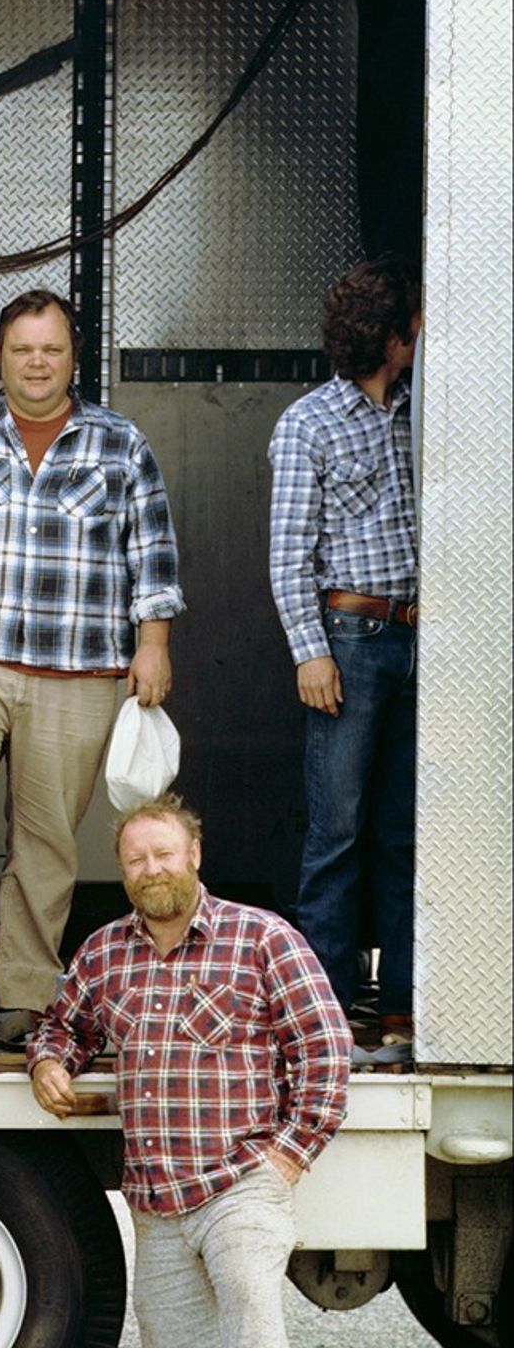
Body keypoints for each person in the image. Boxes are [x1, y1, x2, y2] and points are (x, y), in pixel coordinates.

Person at [26, 794, 350, 1348]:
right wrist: (48, 1061)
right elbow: (62, 1023)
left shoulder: (261, 938)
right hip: (156, 1196)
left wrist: (286, 1157)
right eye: (135, 859)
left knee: (250, 1323)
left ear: (193, 855)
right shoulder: (105, 953)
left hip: (242, 1180)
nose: (149, 870)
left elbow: (326, 1050)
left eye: (162, 853)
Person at [0, 287, 183, 1042]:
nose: (37, 363)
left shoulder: (119, 442)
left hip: (77, 666)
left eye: (51, 349)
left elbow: (150, 558)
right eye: (22, 350)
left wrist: (152, 645)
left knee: (47, 839)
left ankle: (19, 993)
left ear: (72, 355)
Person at [269, 254, 421, 1050]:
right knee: (337, 832)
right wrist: (309, 652)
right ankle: (325, 1017)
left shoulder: (417, 413)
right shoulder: (307, 423)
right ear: (389, 336)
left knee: (402, 832)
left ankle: (397, 1006)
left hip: (416, 636)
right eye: (411, 325)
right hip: (349, 640)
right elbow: (287, 551)